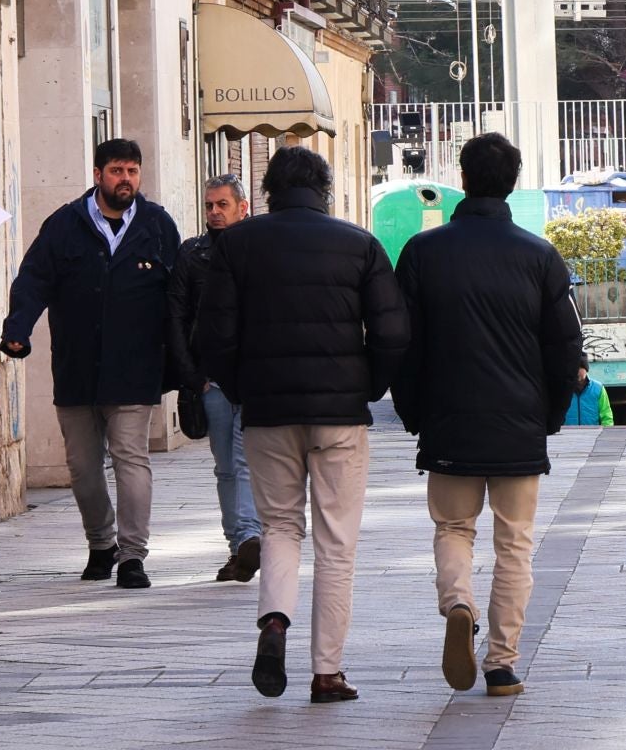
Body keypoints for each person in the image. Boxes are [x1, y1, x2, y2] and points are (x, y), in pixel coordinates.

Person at [195, 146, 409, 706]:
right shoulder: (359, 244)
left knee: (280, 528)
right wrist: (367, 389)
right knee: (336, 543)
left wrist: (243, 390)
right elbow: (391, 332)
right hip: (339, 416)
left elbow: (212, 336)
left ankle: (274, 623)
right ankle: (327, 673)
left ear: (266, 192)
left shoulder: (237, 245)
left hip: (266, 414)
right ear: (325, 190)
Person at [392, 132, 584, 700]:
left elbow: (403, 344)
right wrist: (546, 417)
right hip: (518, 423)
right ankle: (501, 662)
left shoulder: (424, 253)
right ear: (514, 182)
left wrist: (413, 413)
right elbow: (565, 347)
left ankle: (458, 603)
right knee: (515, 543)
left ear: (465, 178)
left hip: (449, 421)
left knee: (454, 528)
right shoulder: (540, 256)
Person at [0, 138, 184, 591]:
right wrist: (18, 329)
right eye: (118, 171)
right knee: (83, 467)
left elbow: (180, 296)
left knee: (131, 460)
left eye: (133, 171)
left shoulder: (158, 226)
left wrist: (186, 356)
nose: (126, 179)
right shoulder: (65, 225)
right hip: (77, 366)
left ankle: (132, 555)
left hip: (134, 368)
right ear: (98, 174)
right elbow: (33, 280)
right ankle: (101, 543)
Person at [167, 174, 263, 583]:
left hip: (256, 378)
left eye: (222, 205)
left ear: (243, 207)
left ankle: (248, 539)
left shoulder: (264, 248)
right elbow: (176, 315)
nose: (214, 213)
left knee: (243, 463)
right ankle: (238, 545)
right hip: (214, 381)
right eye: (209, 205)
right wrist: (192, 376)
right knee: (226, 467)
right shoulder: (194, 254)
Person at [562, 354, 614, 426]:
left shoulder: (598, 388)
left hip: (593, 435)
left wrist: (606, 433)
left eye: (579, 368)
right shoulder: (564, 388)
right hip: (568, 435)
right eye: (573, 368)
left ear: (586, 369)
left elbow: (606, 415)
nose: (576, 371)